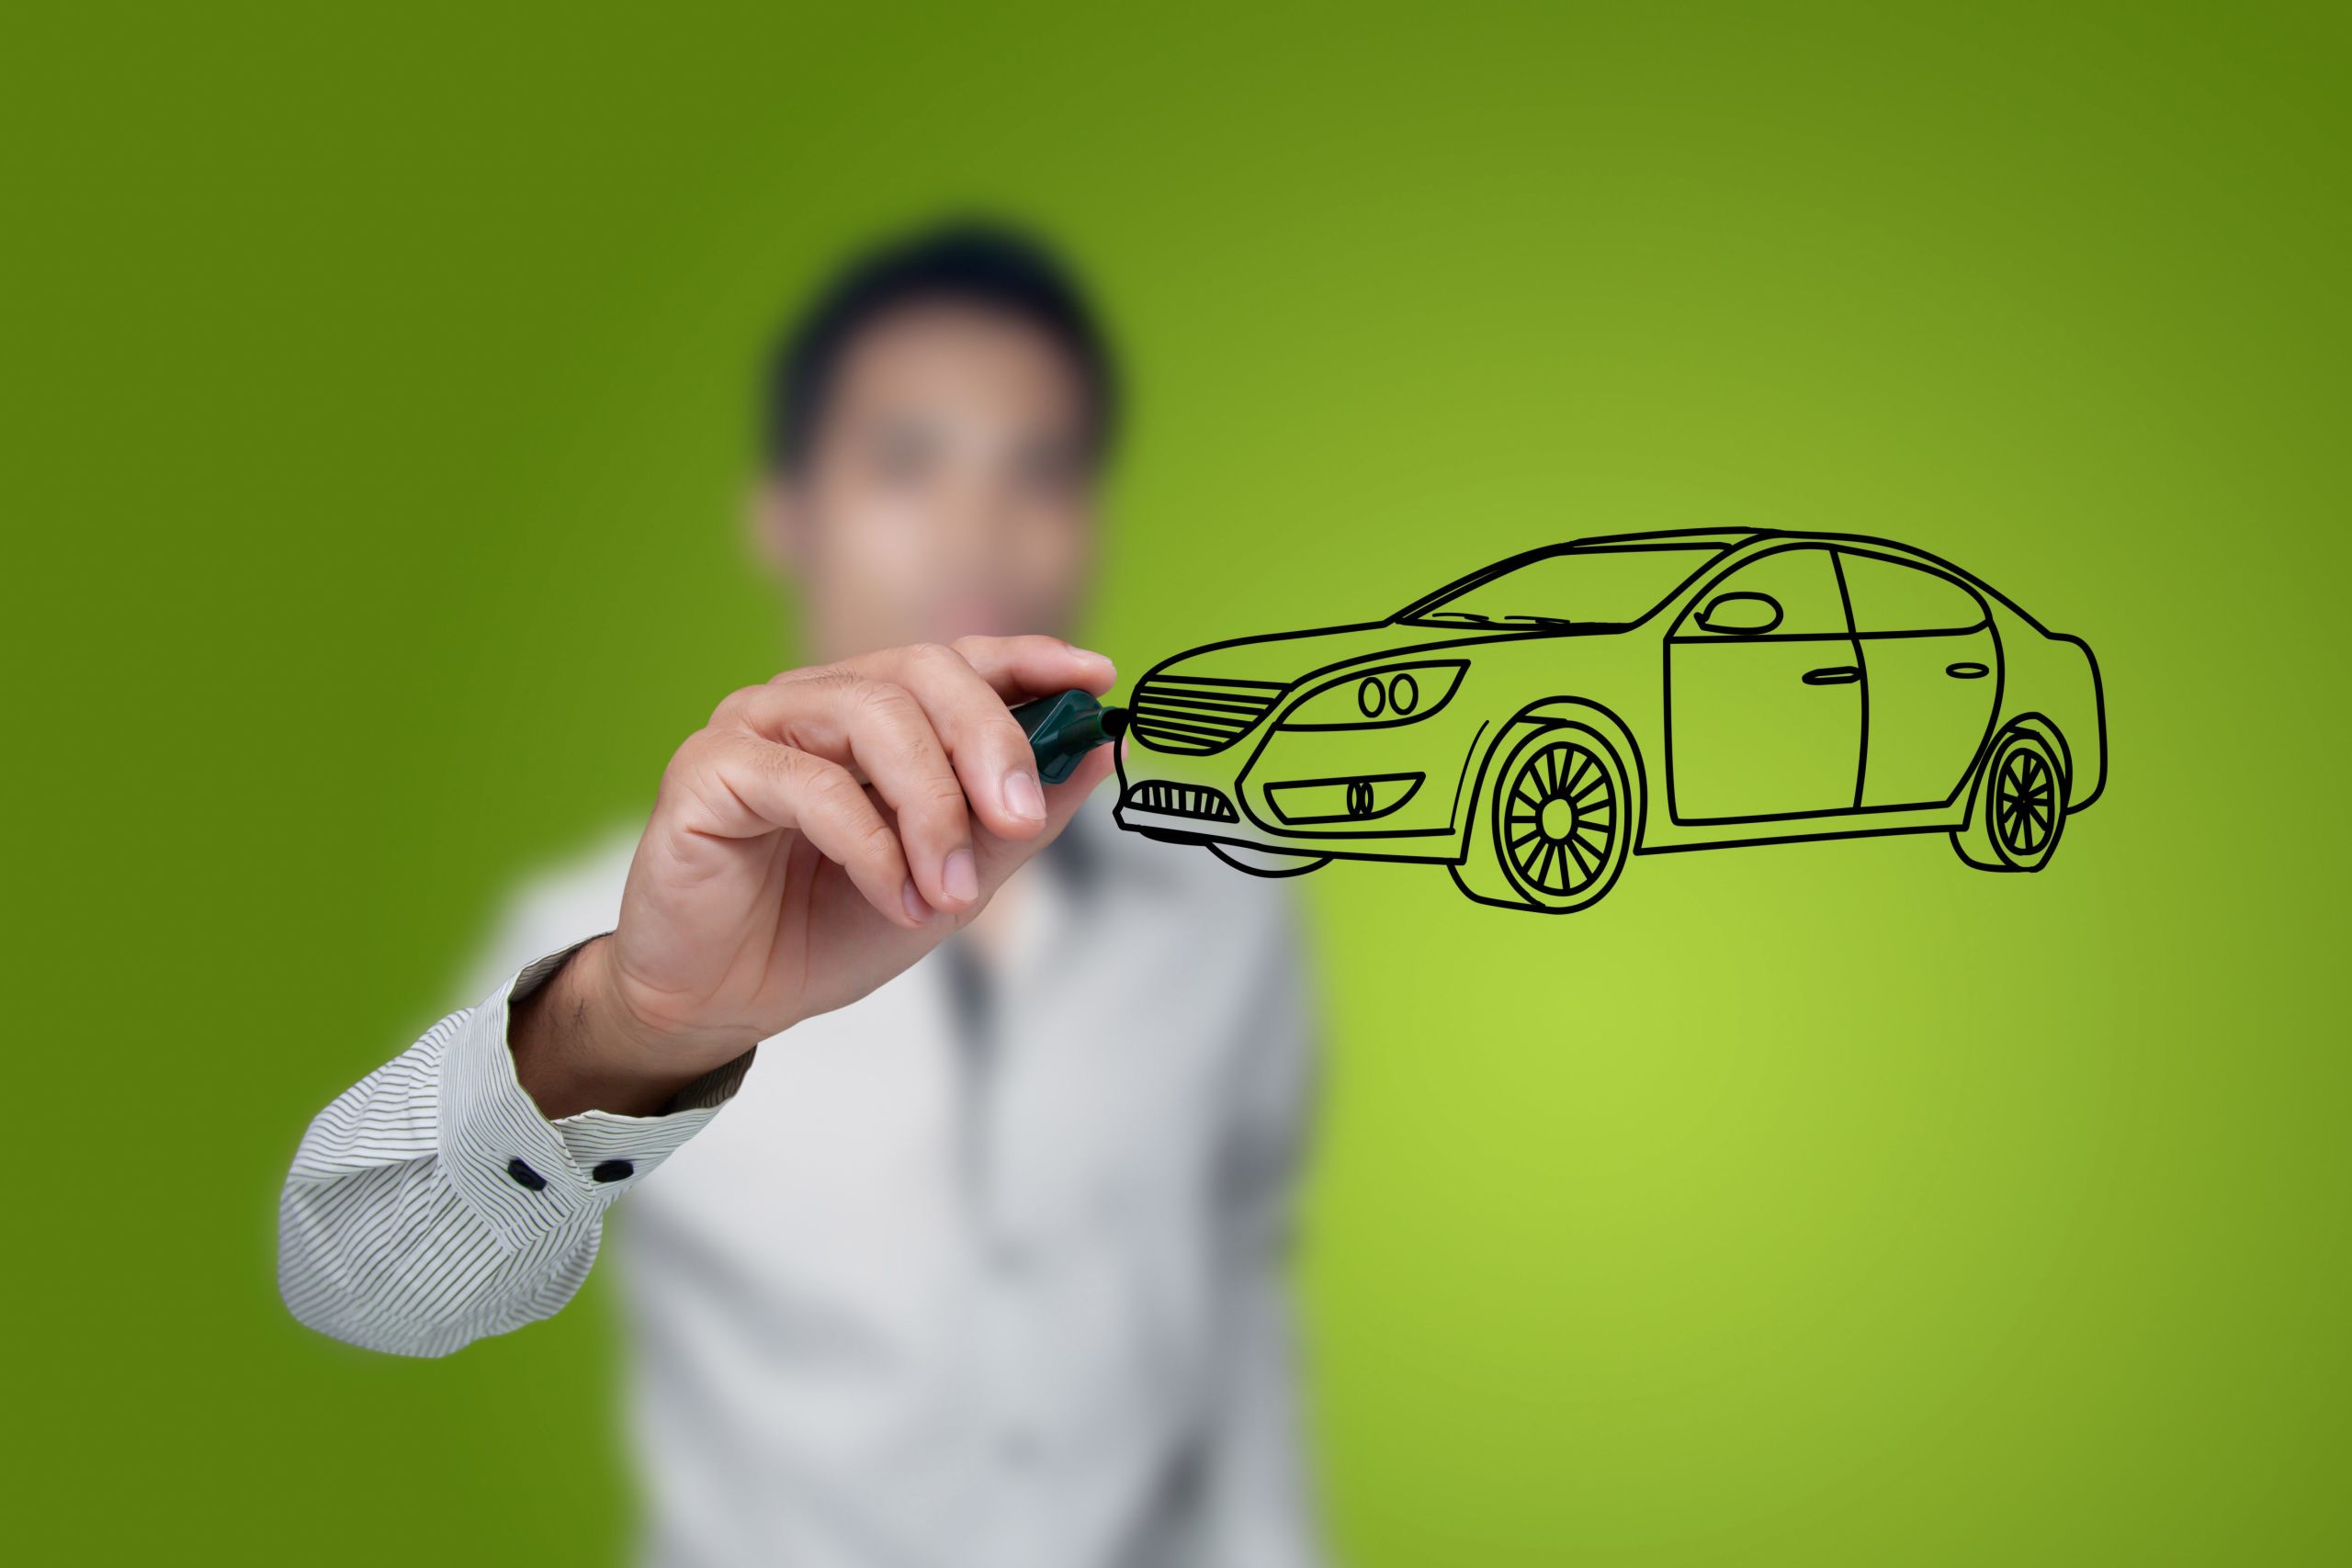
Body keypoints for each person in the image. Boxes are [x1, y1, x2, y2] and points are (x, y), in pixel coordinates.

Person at [277, 223, 1324, 1568]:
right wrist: (640, 1023)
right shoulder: (608, 926)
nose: (977, 526)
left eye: (1042, 468)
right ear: (784, 513)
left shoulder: (1228, 915)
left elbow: (1235, 1350)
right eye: (906, 461)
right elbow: (352, 1284)